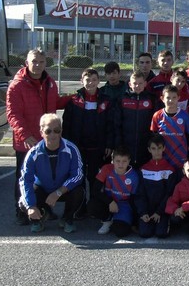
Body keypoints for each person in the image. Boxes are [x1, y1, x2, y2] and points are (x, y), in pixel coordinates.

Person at [7, 48, 62, 225]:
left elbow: (56, 102)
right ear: (27, 63)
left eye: (41, 62)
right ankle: (22, 212)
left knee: (46, 178)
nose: (37, 65)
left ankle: (45, 209)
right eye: (34, 61)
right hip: (27, 142)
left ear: (46, 63)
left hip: (47, 141)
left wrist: (77, 97)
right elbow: (13, 114)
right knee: (24, 178)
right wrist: (25, 136)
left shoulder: (50, 83)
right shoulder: (16, 86)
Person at [18, 113, 84, 234]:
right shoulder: (33, 153)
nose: (53, 135)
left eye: (56, 130)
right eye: (48, 131)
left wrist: (58, 192)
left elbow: (78, 175)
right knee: (23, 201)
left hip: (62, 190)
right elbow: (25, 180)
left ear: (61, 131)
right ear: (41, 132)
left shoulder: (71, 149)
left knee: (79, 191)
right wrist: (31, 206)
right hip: (42, 189)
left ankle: (67, 218)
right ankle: (39, 218)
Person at [62, 68, 114, 210]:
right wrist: (68, 146)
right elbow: (67, 125)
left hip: (98, 148)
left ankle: (94, 207)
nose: (90, 83)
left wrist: (109, 144)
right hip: (78, 148)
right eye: (87, 80)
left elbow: (111, 124)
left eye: (94, 80)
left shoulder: (106, 101)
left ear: (98, 81)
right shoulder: (74, 101)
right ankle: (80, 208)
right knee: (79, 178)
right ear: (81, 81)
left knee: (94, 178)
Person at [90, 147, 139, 238]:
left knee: (121, 232)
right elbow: (95, 190)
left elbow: (134, 199)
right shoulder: (106, 169)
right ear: (112, 160)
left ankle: (118, 219)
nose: (121, 164)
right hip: (109, 202)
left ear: (129, 161)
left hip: (124, 205)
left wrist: (134, 221)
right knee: (92, 206)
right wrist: (110, 202)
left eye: (124, 161)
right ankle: (107, 220)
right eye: (118, 161)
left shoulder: (134, 176)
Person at [135, 134, 176, 239]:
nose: (157, 152)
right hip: (147, 210)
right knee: (144, 233)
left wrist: (159, 212)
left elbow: (170, 194)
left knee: (161, 233)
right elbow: (140, 193)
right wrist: (143, 212)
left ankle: (165, 223)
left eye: (159, 148)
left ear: (164, 148)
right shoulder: (143, 169)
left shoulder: (170, 170)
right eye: (153, 148)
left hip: (162, 210)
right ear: (149, 150)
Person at [113, 70, 157, 168]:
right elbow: (117, 124)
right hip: (126, 143)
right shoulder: (122, 99)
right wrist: (118, 143)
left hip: (145, 144)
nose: (137, 86)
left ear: (145, 83)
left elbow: (155, 122)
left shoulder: (151, 99)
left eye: (140, 83)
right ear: (129, 84)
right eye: (135, 83)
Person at [150, 84, 189, 171]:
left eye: (174, 97)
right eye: (168, 97)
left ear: (178, 98)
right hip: (163, 156)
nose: (171, 100)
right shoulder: (157, 115)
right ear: (162, 98)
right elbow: (154, 135)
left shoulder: (185, 115)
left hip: (180, 156)